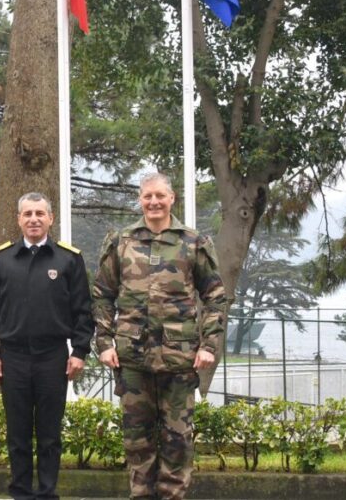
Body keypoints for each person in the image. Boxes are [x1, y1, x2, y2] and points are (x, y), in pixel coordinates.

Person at [92, 173, 227, 500]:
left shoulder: (193, 243)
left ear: (172, 199)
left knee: (177, 440)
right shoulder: (121, 242)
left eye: (159, 196)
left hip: (179, 359)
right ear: (140, 200)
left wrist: (209, 345)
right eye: (147, 196)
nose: (153, 202)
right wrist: (104, 342)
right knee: (137, 440)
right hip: (132, 359)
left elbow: (215, 296)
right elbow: (101, 294)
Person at [0, 192, 94, 500]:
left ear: (50, 218)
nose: (33, 219)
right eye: (27, 214)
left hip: (53, 356)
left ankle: (46, 493)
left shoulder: (68, 258)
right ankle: (19, 492)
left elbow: (84, 311)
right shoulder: (1, 259)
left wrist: (80, 351)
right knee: (17, 432)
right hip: (13, 356)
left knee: (49, 433)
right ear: (18, 219)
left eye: (39, 214)